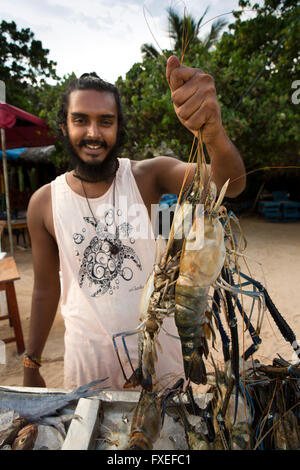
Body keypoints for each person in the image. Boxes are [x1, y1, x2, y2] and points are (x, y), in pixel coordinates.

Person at [23, 55, 246, 390]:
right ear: (64, 127)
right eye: (81, 120)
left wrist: (214, 132)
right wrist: (31, 360)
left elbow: (229, 182)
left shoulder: (146, 176)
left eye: (106, 121)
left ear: (119, 127)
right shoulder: (43, 202)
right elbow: (44, 288)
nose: (93, 133)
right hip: (88, 363)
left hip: (160, 353)